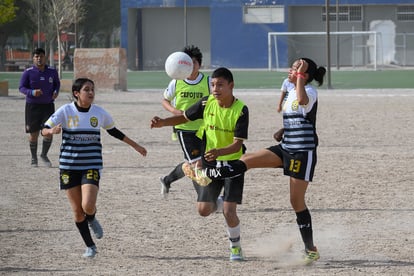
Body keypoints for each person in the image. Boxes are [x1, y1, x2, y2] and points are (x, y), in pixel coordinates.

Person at [184, 58, 326, 265]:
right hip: (286, 148)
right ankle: (209, 175)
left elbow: (304, 103)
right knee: (246, 159)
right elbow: (299, 116)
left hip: (302, 153)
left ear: (304, 74)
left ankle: (311, 250)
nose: (291, 69)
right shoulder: (289, 87)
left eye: (296, 67)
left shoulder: (309, 91)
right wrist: (284, 130)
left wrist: (301, 77)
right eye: (294, 66)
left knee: (296, 202)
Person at [41, 78, 147, 258]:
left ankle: (92, 217)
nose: (91, 93)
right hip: (68, 167)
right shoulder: (66, 111)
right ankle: (90, 246)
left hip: (91, 164)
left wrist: (135, 145)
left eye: (92, 90)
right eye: (86, 90)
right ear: (76, 93)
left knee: (88, 205)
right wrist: (51, 132)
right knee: (77, 211)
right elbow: (44, 128)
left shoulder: (99, 113)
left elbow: (114, 131)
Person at [151, 67, 249, 261]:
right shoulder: (206, 102)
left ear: (231, 86)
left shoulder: (241, 110)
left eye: (220, 85)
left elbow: (238, 143)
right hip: (211, 164)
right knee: (204, 210)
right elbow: (185, 117)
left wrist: (219, 152)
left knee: (229, 212)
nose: (215, 89)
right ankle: (219, 201)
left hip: (232, 165)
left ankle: (235, 247)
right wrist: (164, 122)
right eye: (212, 84)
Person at [159, 45, 211, 198]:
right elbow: (165, 100)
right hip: (184, 128)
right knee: (196, 165)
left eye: (193, 63)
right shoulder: (176, 82)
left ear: (199, 64)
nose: (190, 66)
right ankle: (204, 198)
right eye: (187, 62)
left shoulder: (208, 82)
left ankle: (167, 180)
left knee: (194, 162)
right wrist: (175, 111)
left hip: (204, 129)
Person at [19, 48, 61, 167]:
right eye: (36, 56)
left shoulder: (52, 71)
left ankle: (44, 154)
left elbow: (57, 84)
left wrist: (56, 91)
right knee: (33, 134)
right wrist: (32, 92)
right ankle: (33, 158)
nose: (39, 58)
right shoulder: (28, 72)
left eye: (41, 56)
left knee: (48, 132)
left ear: (45, 57)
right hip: (32, 107)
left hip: (48, 106)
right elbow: (21, 87)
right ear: (33, 58)